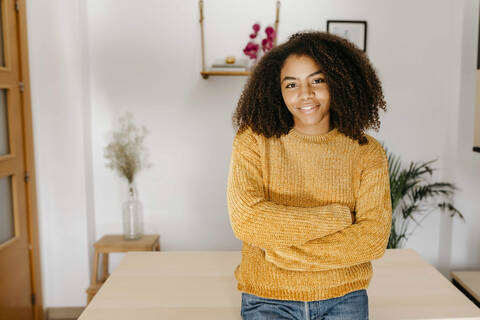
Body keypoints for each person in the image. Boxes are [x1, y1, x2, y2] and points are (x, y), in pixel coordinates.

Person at [226, 31, 392, 320]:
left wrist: (281, 252)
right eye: (291, 84)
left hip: (345, 297)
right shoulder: (253, 140)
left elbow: (373, 239)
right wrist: (339, 218)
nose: (305, 94)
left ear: (339, 82)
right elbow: (247, 220)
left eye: (317, 80)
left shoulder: (367, 152)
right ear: (276, 90)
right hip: (267, 298)